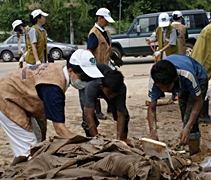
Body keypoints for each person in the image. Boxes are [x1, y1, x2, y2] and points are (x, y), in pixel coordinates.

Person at [0, 49, 104, 166]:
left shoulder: (58, 71)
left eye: (88, 78)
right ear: (70, 70)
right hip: (7, 98)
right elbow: (59, 129)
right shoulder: (54, 88)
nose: (86, 81)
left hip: (17, 96)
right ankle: (21, 172)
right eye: (84, 77)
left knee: (37, 138)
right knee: (28, 149)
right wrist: (82, 145)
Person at [147, 54, 208, 156]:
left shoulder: (187, 75)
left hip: (198, 77)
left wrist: (188, 127)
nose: (164, 91)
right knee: (184, 112)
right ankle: (185, 142)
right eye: (160, 88)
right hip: (180, 81)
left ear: (175, 79)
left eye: (166, 87)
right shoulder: (154, 80)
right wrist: (153, 133)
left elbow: (199, 101)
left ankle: (195, 154)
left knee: (190, 120)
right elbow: (151, 108)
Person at [86, 7, 124, 120]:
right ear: (99, 18)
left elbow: (107, 48)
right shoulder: (94, 34)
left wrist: (114, 57)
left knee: (111, 85)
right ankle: (97, 111)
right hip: (97, 66)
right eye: (105, 19)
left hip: (107, 65)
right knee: (97, 88)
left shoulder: (106, 32)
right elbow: (89, 51)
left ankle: (110, 108)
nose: (107, 22)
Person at [83, 68, 130, 140]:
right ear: (102, 85)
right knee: (87, 121)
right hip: (94, 88)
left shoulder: (121, 88)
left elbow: (120, 115)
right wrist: (96, 140)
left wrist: (119, 142)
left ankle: (123, 140)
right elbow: (89, 114)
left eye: (115, 94)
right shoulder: (92, 86)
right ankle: (91, 141)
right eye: (110, 93)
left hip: (110, 88)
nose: (112, 96)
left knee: (125, 117)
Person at [146, 12, 178, 100]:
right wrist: (150, 40)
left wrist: (160, 51)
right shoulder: (159, 29)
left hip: (171, 55)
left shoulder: (172, 30)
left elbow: (171, 43)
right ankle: (159, 92)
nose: (164, 27)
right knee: (160, 73)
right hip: (161, 55)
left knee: (171, 73)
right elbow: (156, 38)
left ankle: (175, 93)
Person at [191, 23, 211, 123]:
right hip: (203, 63)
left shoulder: (207, 29)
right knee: (203, 88)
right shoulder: (208, 31)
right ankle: (202, 115)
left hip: (202, 62)